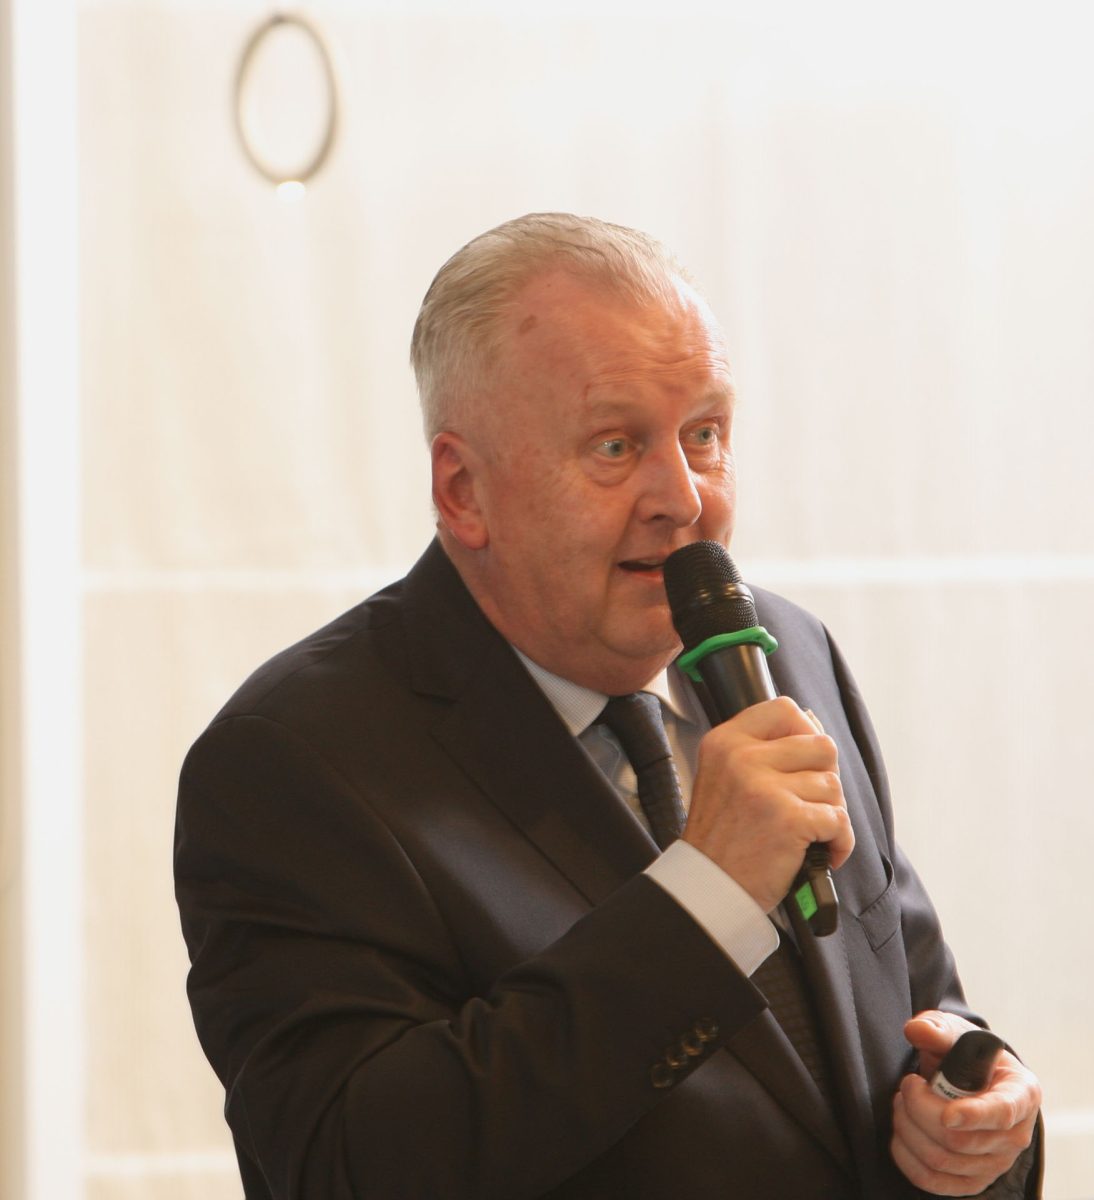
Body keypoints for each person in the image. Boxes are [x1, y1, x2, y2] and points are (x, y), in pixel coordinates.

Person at [175, 212, 1041, 1198]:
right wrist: (708, 895)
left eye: (704, 435)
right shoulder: (294, 761)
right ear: (463, 490)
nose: (683, 498)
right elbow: (352, 1167)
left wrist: (980, 1118)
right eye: (616, 446)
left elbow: (916, 1008)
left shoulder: (786, 651)